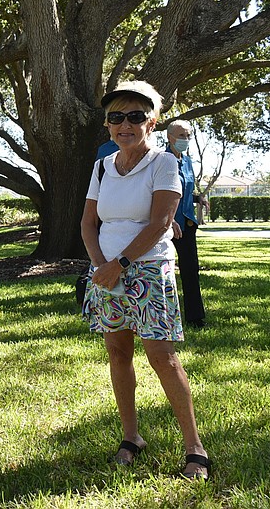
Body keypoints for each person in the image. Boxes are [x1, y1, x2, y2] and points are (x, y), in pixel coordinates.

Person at [80, 81, 211, 480]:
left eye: (135, 116)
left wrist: (118, 263)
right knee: (118, 354)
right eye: (116, 117)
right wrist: (101, 266)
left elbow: (160, 224)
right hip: (105, 271)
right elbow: (88, 223)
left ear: (151, 122)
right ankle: (131, 437)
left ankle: (195, 449)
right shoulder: (102, 166)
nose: (125, 124)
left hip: (149, 270)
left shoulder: (164, 163)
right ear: (107, 125)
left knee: (162, 358)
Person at [166, 120, 208, 327]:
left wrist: (198, 198)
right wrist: (168, 219)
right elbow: (156, 192)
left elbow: (182, 191)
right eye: (181, 135)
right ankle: (163, 316)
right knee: (161, 272)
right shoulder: (160, 160)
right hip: (164, 225)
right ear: (169, 137)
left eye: (188, 135)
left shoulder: (188, 161)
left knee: (191, 270)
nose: (186, 139)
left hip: (187, 225)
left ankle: (195, 317)